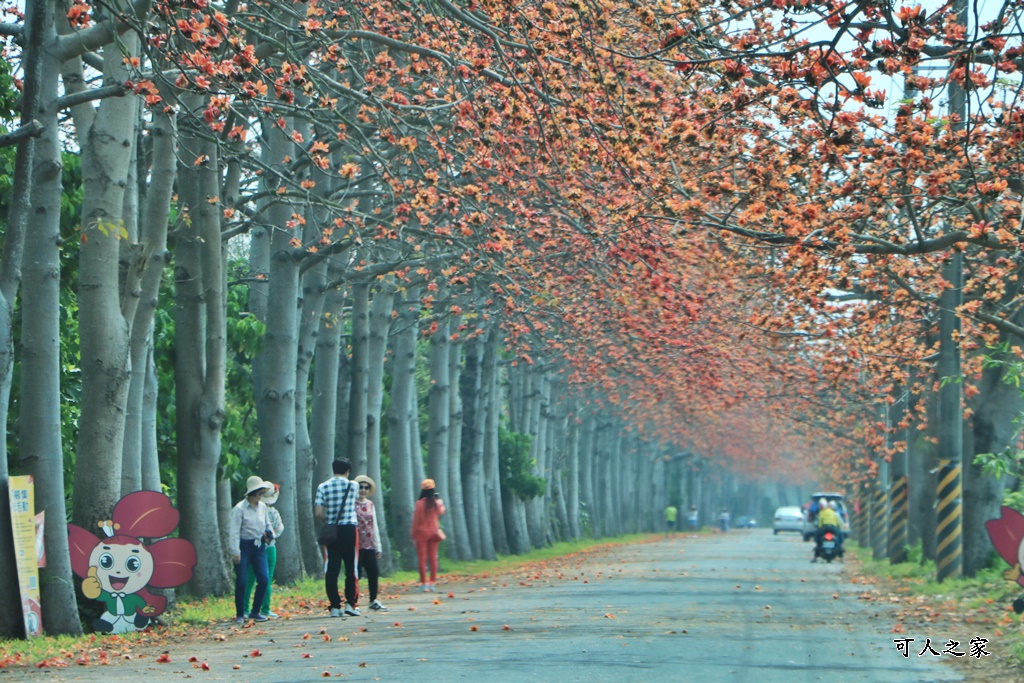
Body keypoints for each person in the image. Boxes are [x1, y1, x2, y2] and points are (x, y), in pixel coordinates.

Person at [315, 459, 361, 617]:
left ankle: (335, 606)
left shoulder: (323, 486)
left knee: (331, 569)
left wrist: (329, 521)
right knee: (351, 568)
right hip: (349, 528)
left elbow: (319, 512)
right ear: (348, 470)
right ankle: (350, 604)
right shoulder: (354, 485)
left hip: (332, 531)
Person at [229, 476, 275, 625]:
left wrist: (269, 533)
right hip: (244, 546)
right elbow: (234, 531)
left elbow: (267, 523)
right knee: (242, 581)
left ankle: (255, 611)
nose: (260, 496)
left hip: (259, 545)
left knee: (264, 579)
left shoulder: (262, 507)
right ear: (251, 493)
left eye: (261, 493)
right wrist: (235, 551)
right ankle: (240, 613)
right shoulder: (239, 509)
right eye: (258, 493)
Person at [244, 482, 284, 619]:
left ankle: (245, 608)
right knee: (267, 579)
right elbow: (280, 528)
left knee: (250, 578)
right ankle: (265, 608)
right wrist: (270, 537)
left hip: (253, 547)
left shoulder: (251, 509)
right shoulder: (273, 512)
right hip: (270, 548)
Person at [354, 475, 388, 612]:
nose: (363, 490)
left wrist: (378, 545)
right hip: (355, 544)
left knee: (373, 572)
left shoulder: (370, 504)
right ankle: (353, 602)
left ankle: (373, 599)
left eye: (366, 488)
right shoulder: (351, 503)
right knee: (355, 573)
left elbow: (374, 526)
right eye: (360, 487)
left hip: (369, 544)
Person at [410, 479, 446, 592]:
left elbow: (416, 520)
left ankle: (424, 583)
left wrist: (413, 535)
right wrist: (439, 501)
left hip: (422, 533)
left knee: (422, 559)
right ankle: (432, 583)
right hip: (434, 533)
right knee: (433, 558)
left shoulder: (419, 503)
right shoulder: (436, 503)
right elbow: (442, 511)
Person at [812, 498, 843, 562]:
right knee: (839, 539)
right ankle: (841, 557)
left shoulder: (822, 513)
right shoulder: (834, 513)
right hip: (833, 528)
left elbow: (820, 524)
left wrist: (819, 528)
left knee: (819, 541)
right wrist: (839, 528)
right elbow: (839, 523)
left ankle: (815, 558)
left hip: (824, 528)